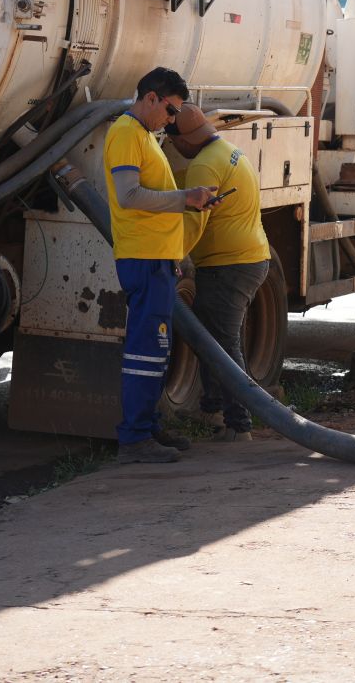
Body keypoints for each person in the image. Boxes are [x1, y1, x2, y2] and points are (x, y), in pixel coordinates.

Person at [104, 68, 217, 463]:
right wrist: (186, 198)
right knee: (145, 350)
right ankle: (134, 438)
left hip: (157, 259)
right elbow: (129, 196)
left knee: (156, 348)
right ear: (151, 98)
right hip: (143, 258)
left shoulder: (142, 136)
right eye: (170, 111)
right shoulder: (124, 134)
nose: (172, 121)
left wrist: (176, 255)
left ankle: (147, 429)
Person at [167, 105, 270, 443]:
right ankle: (212, 408)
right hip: (246, 259)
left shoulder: (204, 164)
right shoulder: (228, 151)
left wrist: (173, 255)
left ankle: (240, 426)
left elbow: (195, 220)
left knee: (223, 345)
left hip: (231, 265)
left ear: (183, 141)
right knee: (209, 338)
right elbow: (185, 186)